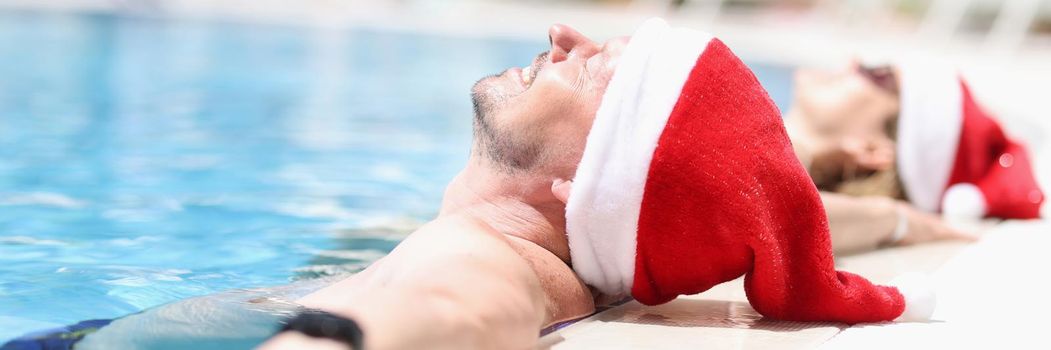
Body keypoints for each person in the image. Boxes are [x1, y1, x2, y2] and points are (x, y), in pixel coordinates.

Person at [264, 19, 931, 349]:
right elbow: (791, 220)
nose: (561, 35)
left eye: (595, 70)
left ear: (593, 184)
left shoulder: (482, 257)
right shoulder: (578, 259)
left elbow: (456, 311)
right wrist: (906, 223)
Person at [785, 60, 1044, 254]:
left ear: (873, 152)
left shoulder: (778, 171)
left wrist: (892, 220)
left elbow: (781, 211)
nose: (853, 62)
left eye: (876, 74)